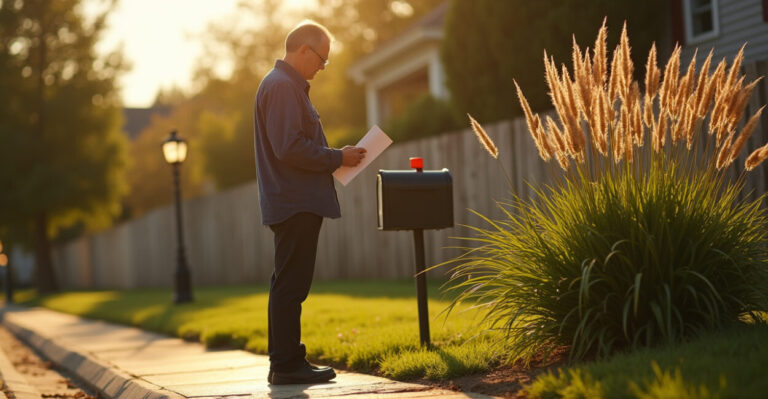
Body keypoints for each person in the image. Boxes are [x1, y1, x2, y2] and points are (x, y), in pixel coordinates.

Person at [253, 20, 366, 385]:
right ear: (303, 49)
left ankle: (287, 361)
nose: (322, 67)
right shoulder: (283, 87)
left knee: (289, 283)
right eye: (321, 59)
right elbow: (289, 147)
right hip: (294, 201)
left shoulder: (285, 86)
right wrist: (338, 157)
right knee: (291, 285)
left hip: (293, 200)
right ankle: (285, 366)